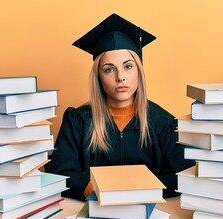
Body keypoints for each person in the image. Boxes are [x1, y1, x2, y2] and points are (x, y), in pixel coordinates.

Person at [45, 13, 195, 201]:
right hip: (92, 215)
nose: (120, 77)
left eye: (128, 66)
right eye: (109, 69)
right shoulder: (78, 121)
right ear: (98, 76)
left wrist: (134, 190)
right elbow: (59, 174)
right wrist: (96, 188)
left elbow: (183, 177)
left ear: (139, 71)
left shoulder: (164, 124)